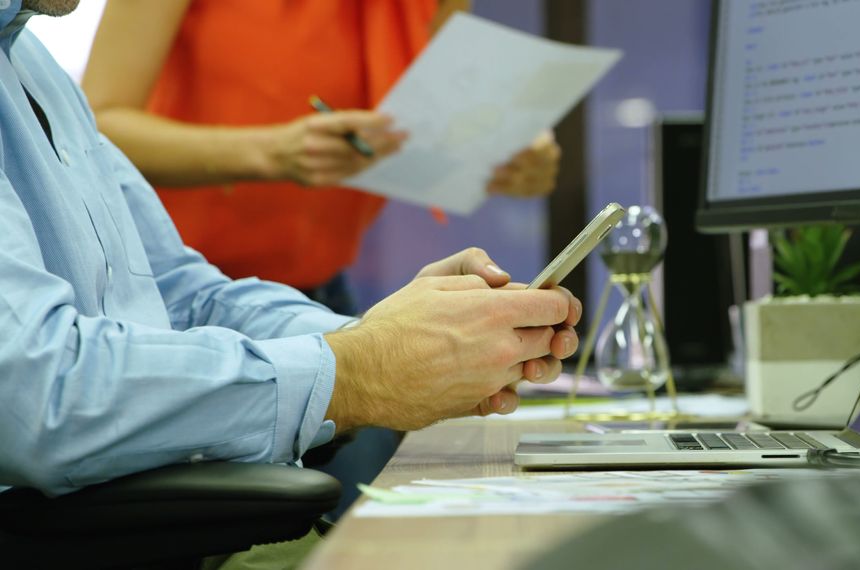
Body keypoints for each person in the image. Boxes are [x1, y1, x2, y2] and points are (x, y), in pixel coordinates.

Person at [0, 0, 580, 505]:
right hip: (205, 358)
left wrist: (406, 340)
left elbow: (180, 293)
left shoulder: (32, 64)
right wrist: (366, 364)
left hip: (296, 304)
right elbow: (42, 399)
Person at [81, 0, 561, 310]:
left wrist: (516, 150)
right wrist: (269, 153)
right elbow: (96, 122)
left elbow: (453, 110)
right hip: (170, 298)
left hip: (322, 293)